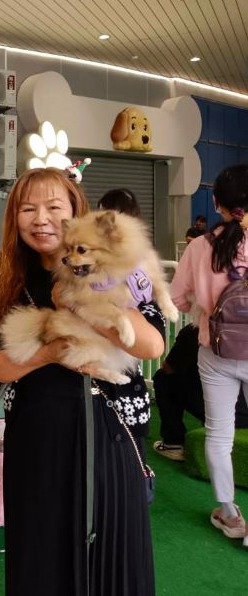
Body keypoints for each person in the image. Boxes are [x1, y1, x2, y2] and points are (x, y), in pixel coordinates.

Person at [0, 167, 165, 595]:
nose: (41, 219)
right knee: (42, 554)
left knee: (115, 556)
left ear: (76, 211)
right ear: (14, 218)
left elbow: (152, 344)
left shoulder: (118, 270)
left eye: (53, 207)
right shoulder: (1, 287)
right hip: (38, 436)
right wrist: (48, 353)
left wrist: (80, 303)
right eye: (28, 209)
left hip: (112, 433)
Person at [170, 164, 248, 545]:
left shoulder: (199, 247)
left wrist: (204, 302)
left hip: (216, 350)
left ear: (216, 203)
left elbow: (177, 299)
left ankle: (230, 515)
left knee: (219, 435)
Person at [153, 323, 248, 461]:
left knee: (163, 378)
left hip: (228, 414)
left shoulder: (196, 331)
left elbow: (168, 369)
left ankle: (173, 443)